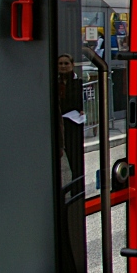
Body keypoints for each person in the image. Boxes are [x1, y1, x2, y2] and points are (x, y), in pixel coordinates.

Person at [56, 53, 84, 182]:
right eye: (60, 63)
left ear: (72, 65)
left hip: (74, 125)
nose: (63, 66)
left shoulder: (79, 83)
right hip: (58, 125)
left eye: (66, 63)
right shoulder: (53, 83)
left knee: (75, 160)